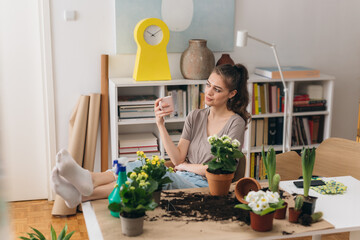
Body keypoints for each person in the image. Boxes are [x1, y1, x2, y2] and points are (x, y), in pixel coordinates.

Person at [51, 63, 250, 208]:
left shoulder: (236, 123)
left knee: (152, 176)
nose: (208, 92)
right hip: (179, 174)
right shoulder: (195, 116)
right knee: (143, 165)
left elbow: (223, 172)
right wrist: (160, 125)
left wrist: (187, 166)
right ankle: (88, 185)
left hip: (205, 186)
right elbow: (177, 158)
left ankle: (84, 191)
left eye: (217, 89)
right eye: (208, 85)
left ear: (231, 94)